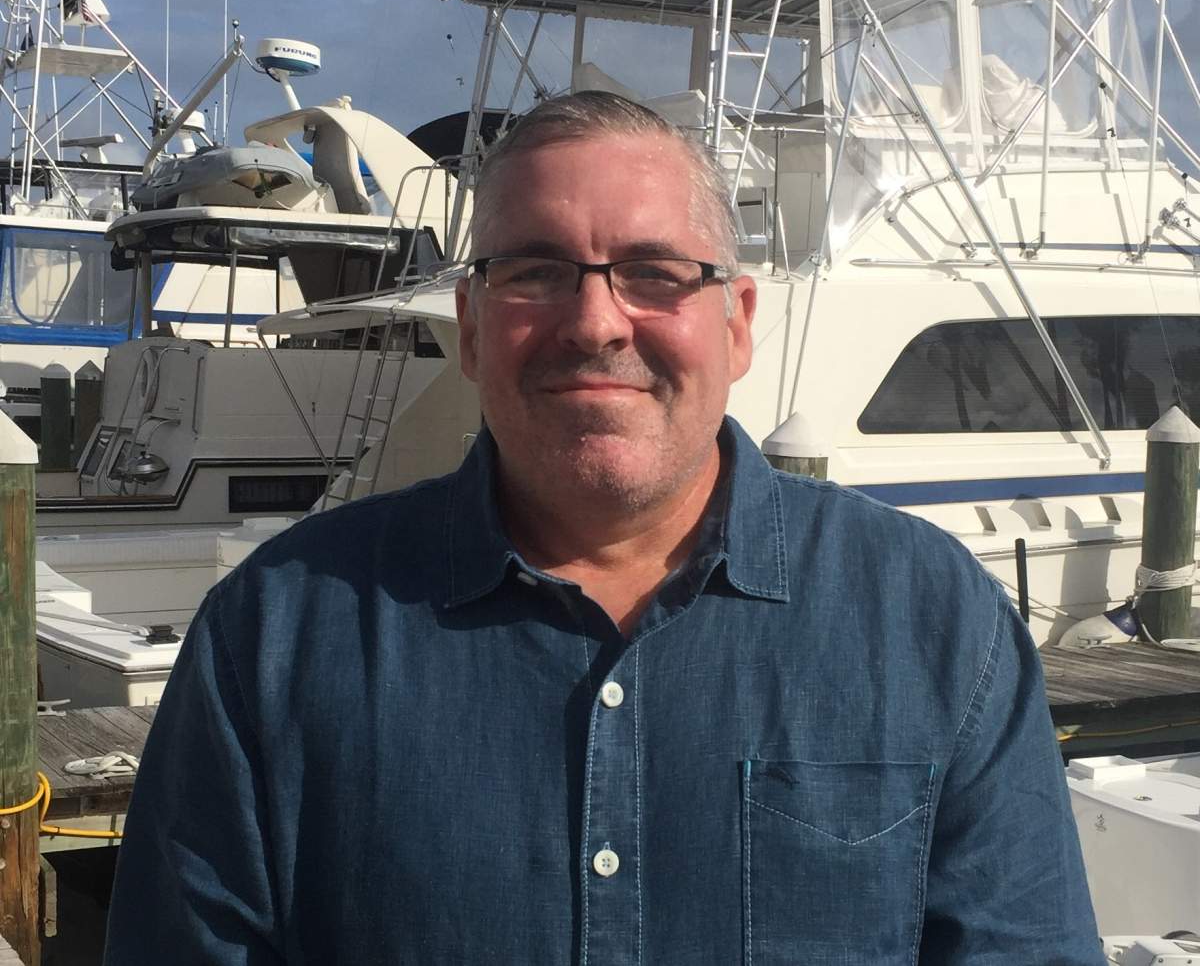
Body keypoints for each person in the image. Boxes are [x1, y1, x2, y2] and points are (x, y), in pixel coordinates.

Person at [105, 91, 1103, 965]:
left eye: (655, 272)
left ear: (739, 321)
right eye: (536, 272)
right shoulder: (270, 639)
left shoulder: (935, 623)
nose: (594, 322)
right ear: (473, 319)